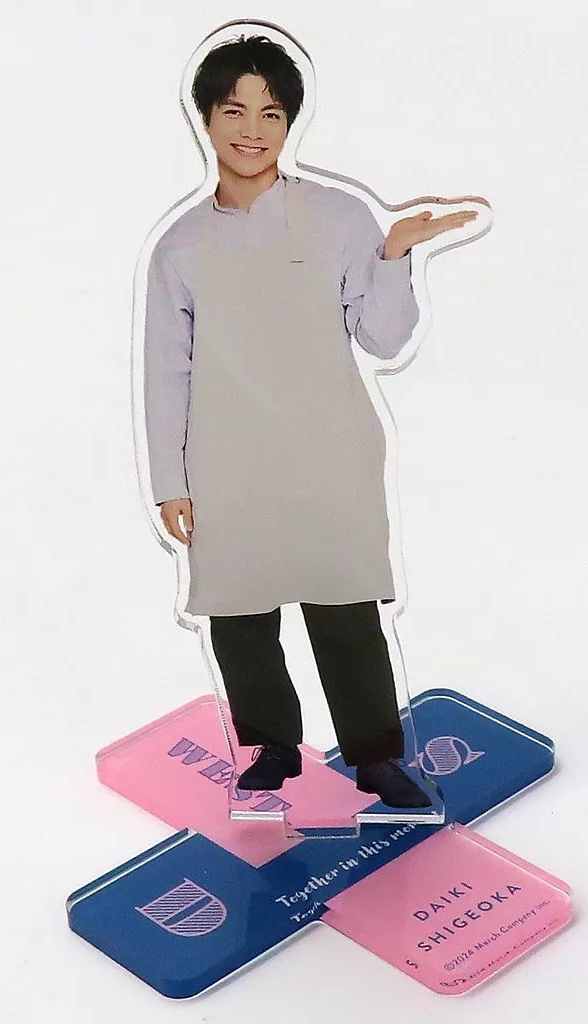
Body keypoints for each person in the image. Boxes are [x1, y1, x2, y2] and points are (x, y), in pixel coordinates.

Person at [143, 35, 475, 808]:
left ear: (291, 122)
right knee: (239, 610)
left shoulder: (336, 216)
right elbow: (165, 371)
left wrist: (393, 256)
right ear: (204, 117)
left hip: (329, 446)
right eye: (234, 110)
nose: (251, 129)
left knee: (343, 604)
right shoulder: (179, 247)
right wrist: (169, 479)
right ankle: (270, 749)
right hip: (225, 457)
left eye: (271, 112)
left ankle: (375, 756)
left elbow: (382, 338)